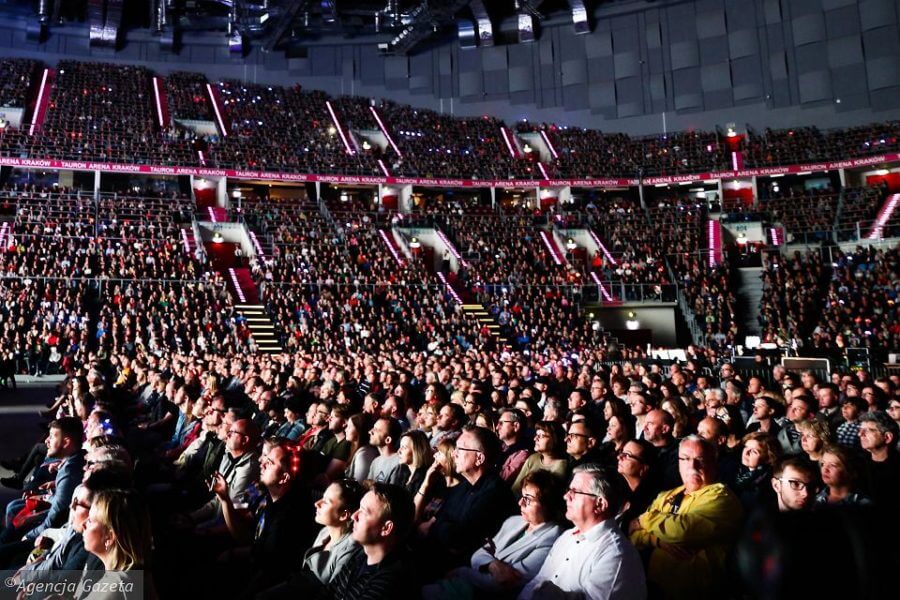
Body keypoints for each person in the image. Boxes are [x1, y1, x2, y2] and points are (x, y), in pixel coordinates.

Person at [629, 435, 743, 599]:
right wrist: (658, 541)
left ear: (714, 462)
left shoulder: (721, 497)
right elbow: (633, 537)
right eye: (686, 458)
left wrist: (642, 520)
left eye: (700, 459)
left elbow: (682, 531)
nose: (692, 466)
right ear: (679, 463)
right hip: (653, 587)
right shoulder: (668, 494)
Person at [423, 470, 564, 599]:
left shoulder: (552, 539)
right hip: (469, 585)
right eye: (522, 496)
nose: (520, 502)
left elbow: (502, 583)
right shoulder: (514, 521)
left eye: (528, 498)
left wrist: (463, 572)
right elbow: (478, 554)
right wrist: (493, 565)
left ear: (548, 504)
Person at [519, 464, 646, 600]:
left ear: (600, 504)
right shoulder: (567, 536)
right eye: (569, 490)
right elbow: (538, 580)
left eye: (575, 491)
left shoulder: (616, 554)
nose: (566, 496)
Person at [419, 426, 516, 572]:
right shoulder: (464, 485)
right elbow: (443, 516)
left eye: (460, 449)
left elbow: (457, 540)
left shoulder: (494, 494)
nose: (453, 455)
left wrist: (435, 525)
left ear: (479, 458)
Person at [322, 482, 416, 599]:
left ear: (386, 528)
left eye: (364, 512)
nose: (354, 516)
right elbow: (328, 592)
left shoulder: (389, 582)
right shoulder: (360, 554)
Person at [81, 489, 154, 599]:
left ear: (109, 537)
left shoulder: (114, 590)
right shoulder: (131, 575)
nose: (83, 524)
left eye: (90, 520)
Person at [511, 421, 567, 495]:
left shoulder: (562, 465)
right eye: (536, 435)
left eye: (541, 436)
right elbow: (515, 488)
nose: (535, 439)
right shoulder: (533, 458)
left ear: (555, 439)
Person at [858, 411, 900, 506]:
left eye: (868, 430)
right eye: (860, 430)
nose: (860, 434)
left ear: (887, 437)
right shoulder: (858, 464)